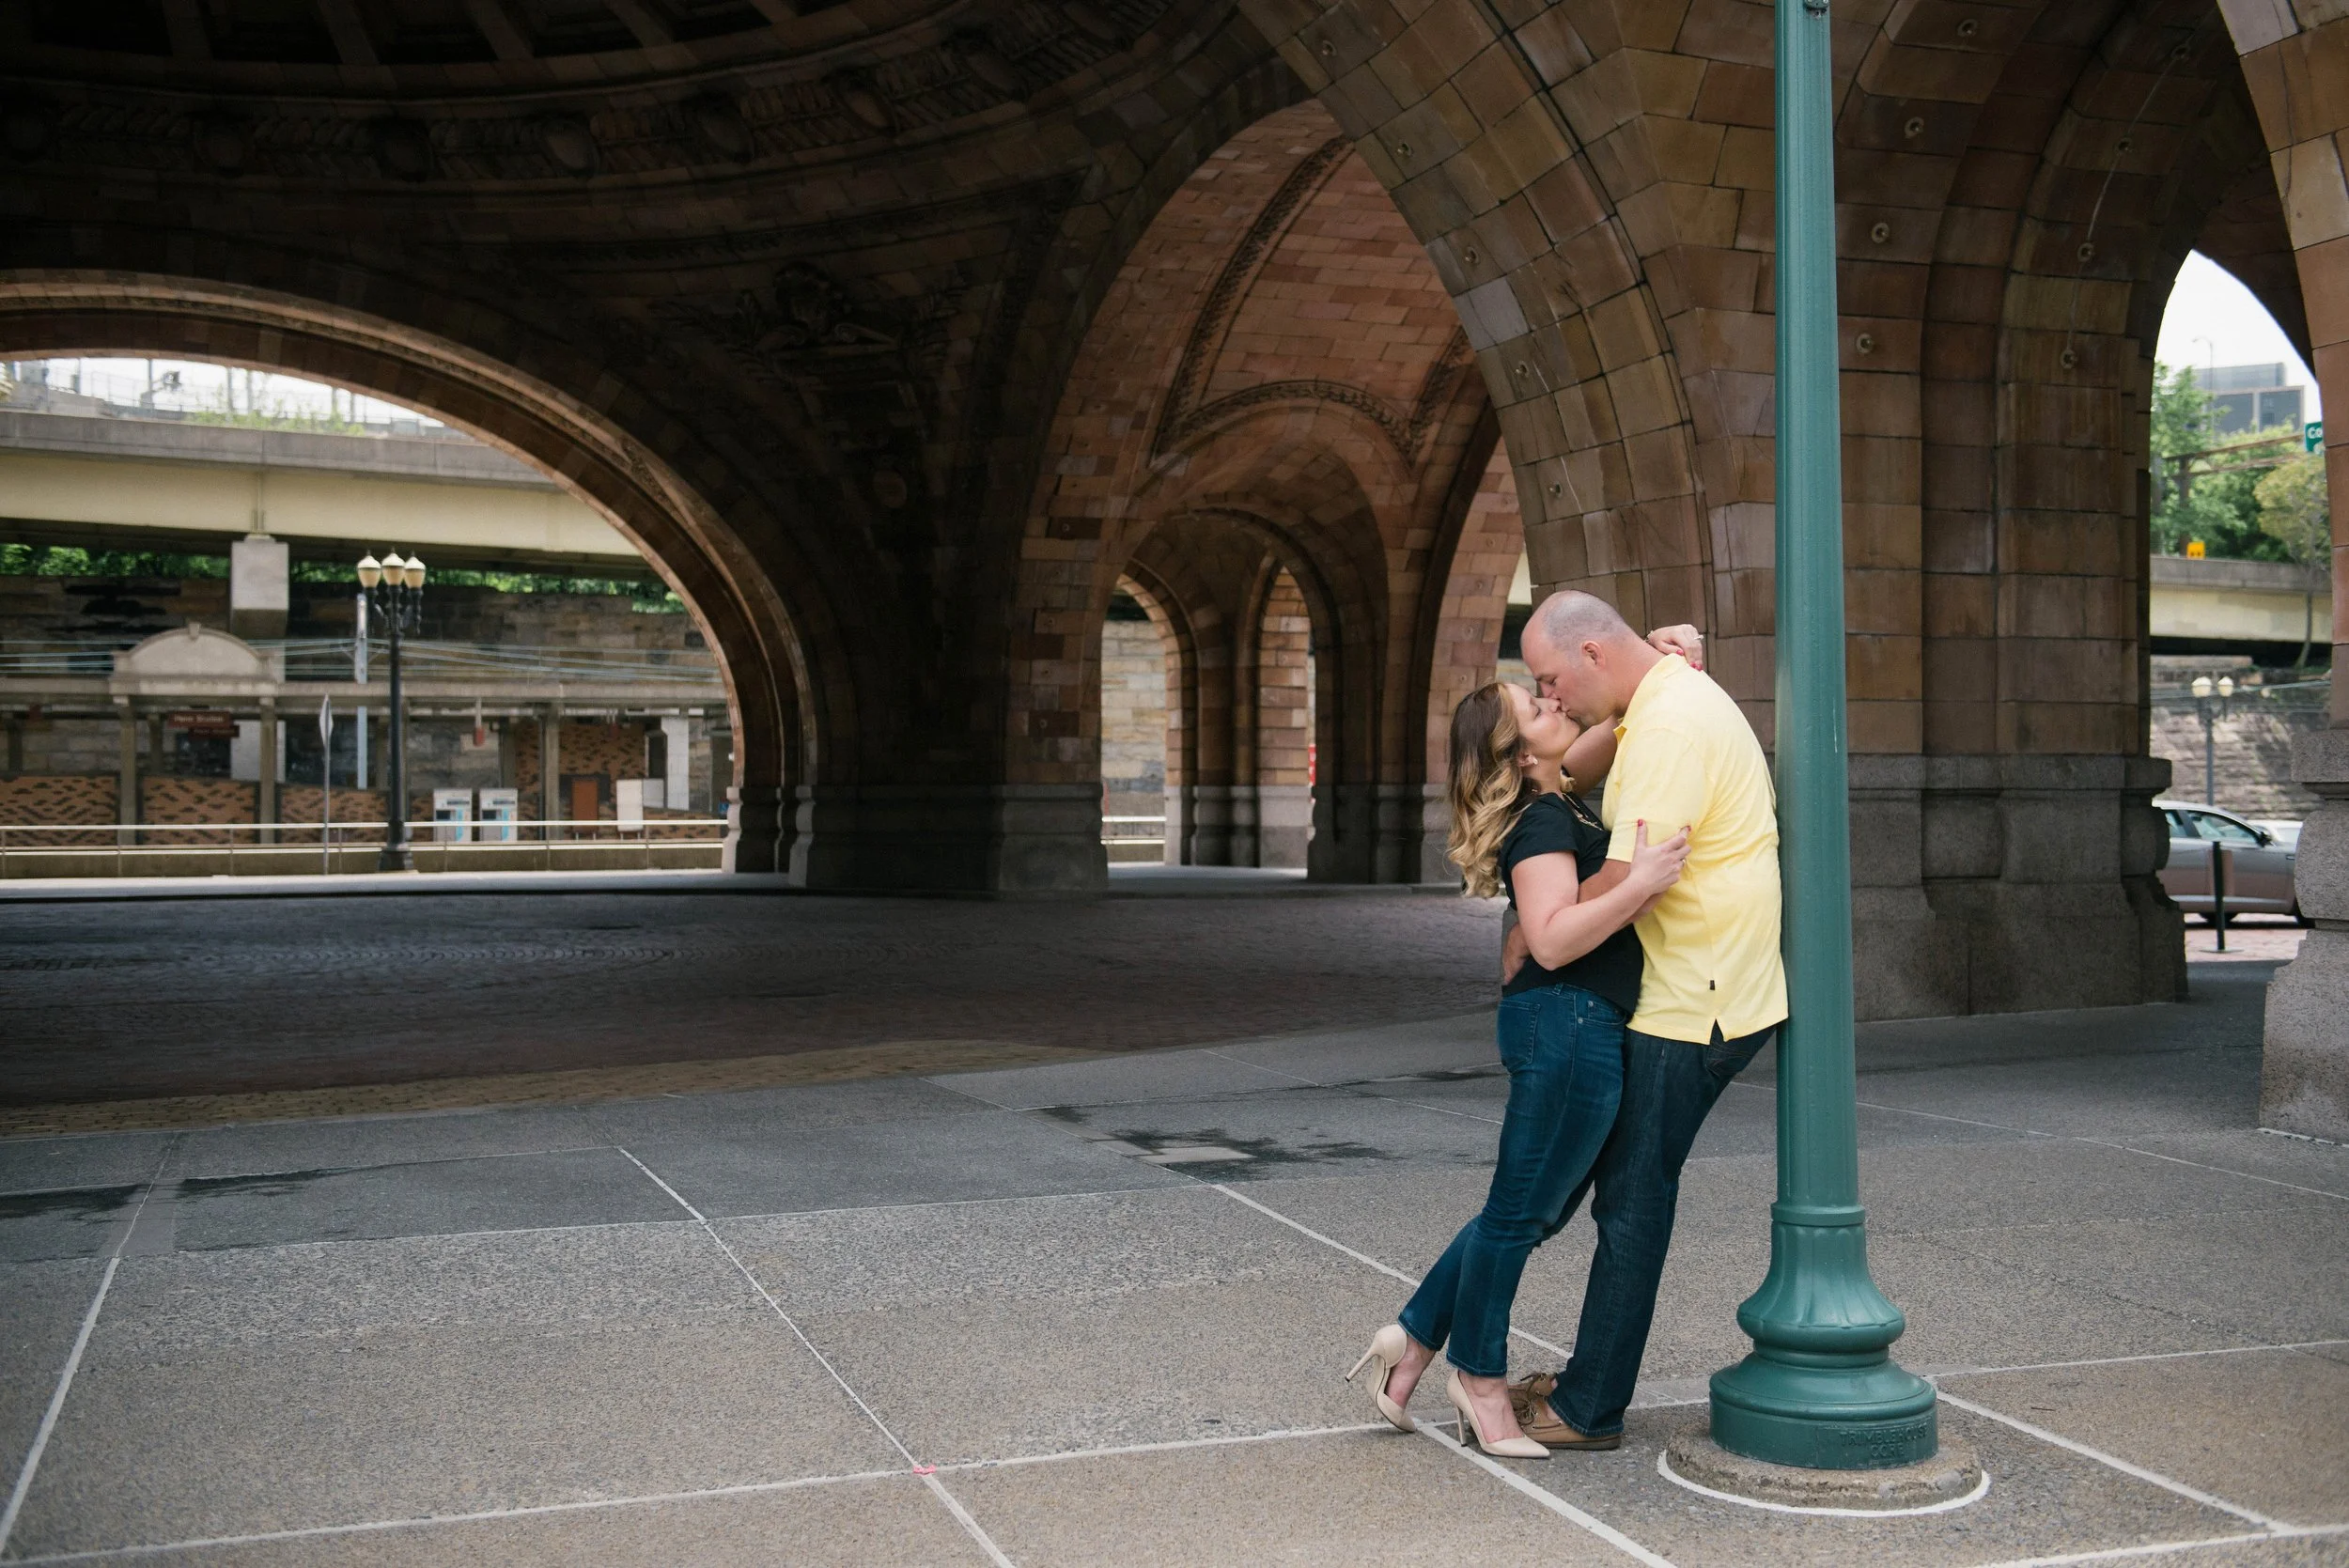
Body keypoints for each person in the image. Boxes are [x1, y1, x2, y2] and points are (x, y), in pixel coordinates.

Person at [1346, 674, 1691, 1456]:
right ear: (1519, 753)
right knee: (1517, 1216)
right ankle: (1479, 1376)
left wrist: (1666, 659)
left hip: (1572, 1024)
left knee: (1531, 1210)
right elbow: (1552, 939)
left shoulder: (1560, 788)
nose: (1556, 706)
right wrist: (1638, 885)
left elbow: (1618, 713)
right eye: (1536, 709)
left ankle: (1410, 1343)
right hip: (1566, 1022)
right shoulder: (1541, 819)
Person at [1498, 591, 1787, 1451]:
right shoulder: (1654, 702)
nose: (1550, 699)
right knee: (1613, 1194)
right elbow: (1572, 767)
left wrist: (1531, 932)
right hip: (1691, 989)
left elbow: (1624, 885)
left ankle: (1590, 1407)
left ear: (1592, 653)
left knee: (1630, 1202)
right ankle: (1587, 1384)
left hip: (1694, 1001)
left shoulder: (1663, 726)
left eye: (1551, 679)